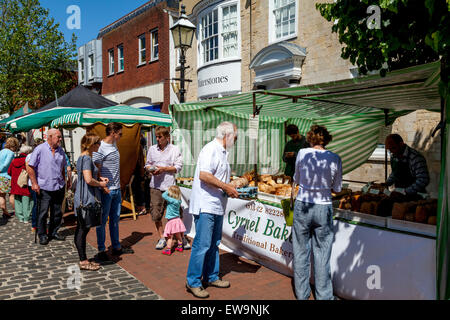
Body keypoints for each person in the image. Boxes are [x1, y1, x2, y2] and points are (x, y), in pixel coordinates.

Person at [185, 122, 239, 299]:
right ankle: (193, 281)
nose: (236, 139)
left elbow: (217, 177)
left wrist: (229, 186)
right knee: (202, 245)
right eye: (235, 135)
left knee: (214, 243)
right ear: (227, 135)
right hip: (206, 204)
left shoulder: (223, 152)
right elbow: (204, 175)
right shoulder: (211, 149)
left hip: (216, 204)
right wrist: (226, 187)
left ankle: (211, 276)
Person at [292, 125, 342, 300]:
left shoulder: (302, 154)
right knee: (322, 253)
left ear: (310, 138)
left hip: (303, 204)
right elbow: (336, 188)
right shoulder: (335, 158)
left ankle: (302, 294)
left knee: (300, 252)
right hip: (323, 205)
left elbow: (296, 179)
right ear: (326, 139)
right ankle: (324, 296)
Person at [93, 122, 134, 262]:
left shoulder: (114, 144)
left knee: (115, 220)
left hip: (116, 188)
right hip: (106, 190)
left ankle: (116, 246)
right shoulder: (101, 147)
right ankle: (101, 249)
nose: (121, 136)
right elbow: (95, 168)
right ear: (113, 133)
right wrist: (102, 185)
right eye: (120, 134)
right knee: (102, 220)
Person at [27, 129, 71, 245]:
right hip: (44, 187)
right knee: (43, 212)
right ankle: (42, 234)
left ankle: (53, 232)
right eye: (59, 137)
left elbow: (62, 167)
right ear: (50, 137)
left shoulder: (61, 151)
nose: (60, 139)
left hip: (58, 186)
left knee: (57, 212)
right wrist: (34, 183)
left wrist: (65, 181)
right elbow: (30, 167)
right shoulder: (40, 149)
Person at [74, 133, 109, 271]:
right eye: (97, 143)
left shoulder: (83, 157)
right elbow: (88, 180)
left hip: (84, 196)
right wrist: (101, 184)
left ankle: (84, 259)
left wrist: (100, 180)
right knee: (83, 230)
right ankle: (83, 261)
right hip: (86, 198)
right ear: (91, 144)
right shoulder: (87, 158)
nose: (99, 145)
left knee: (82, 229)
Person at [144, 126, 183, 250]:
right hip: (155, 186)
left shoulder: (174, 149)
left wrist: (164, 169)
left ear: (167, 137)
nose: (157, 139)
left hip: (170, 186)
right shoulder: (152, 149)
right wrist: (150, 170)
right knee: (156, 213)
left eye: (160, 137)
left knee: (175, 214)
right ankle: (162, 237)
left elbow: (178, 167)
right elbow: (147, 164)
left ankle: (178, 237)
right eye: (156, 136)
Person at [8, 145, 33, 223]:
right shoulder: (27, 160)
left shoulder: (14, 160)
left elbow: (9, 172)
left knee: (17, 200)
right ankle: (26, 217)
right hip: (24, 183)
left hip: (16, 183)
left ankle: (20, 217)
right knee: (27, 200)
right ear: (28, 152)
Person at [161, 185, 186, 255]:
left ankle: (168, 249)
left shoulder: (171, 200)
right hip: (177, 220)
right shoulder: (178, 200)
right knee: (178, 235)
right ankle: (180, 247)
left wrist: (167, 190)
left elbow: (163, 195)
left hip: (171, 221)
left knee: (169, 236)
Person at [26, 139, 44, 231]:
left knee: (38, 204)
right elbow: (28, 169)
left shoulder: (29, 155)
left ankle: (37, 224)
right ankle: (35, 224)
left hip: (37, 183)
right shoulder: (30, 156)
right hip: (34, 183)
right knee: (38, 204)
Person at [0, 137, 20, 218]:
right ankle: (17, 212)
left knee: (1, 195)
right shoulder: (10, 153)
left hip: (0, 176)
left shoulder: (1, 151)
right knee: (12, 195)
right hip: (7, 176)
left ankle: (5, 211)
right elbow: (6, 164)